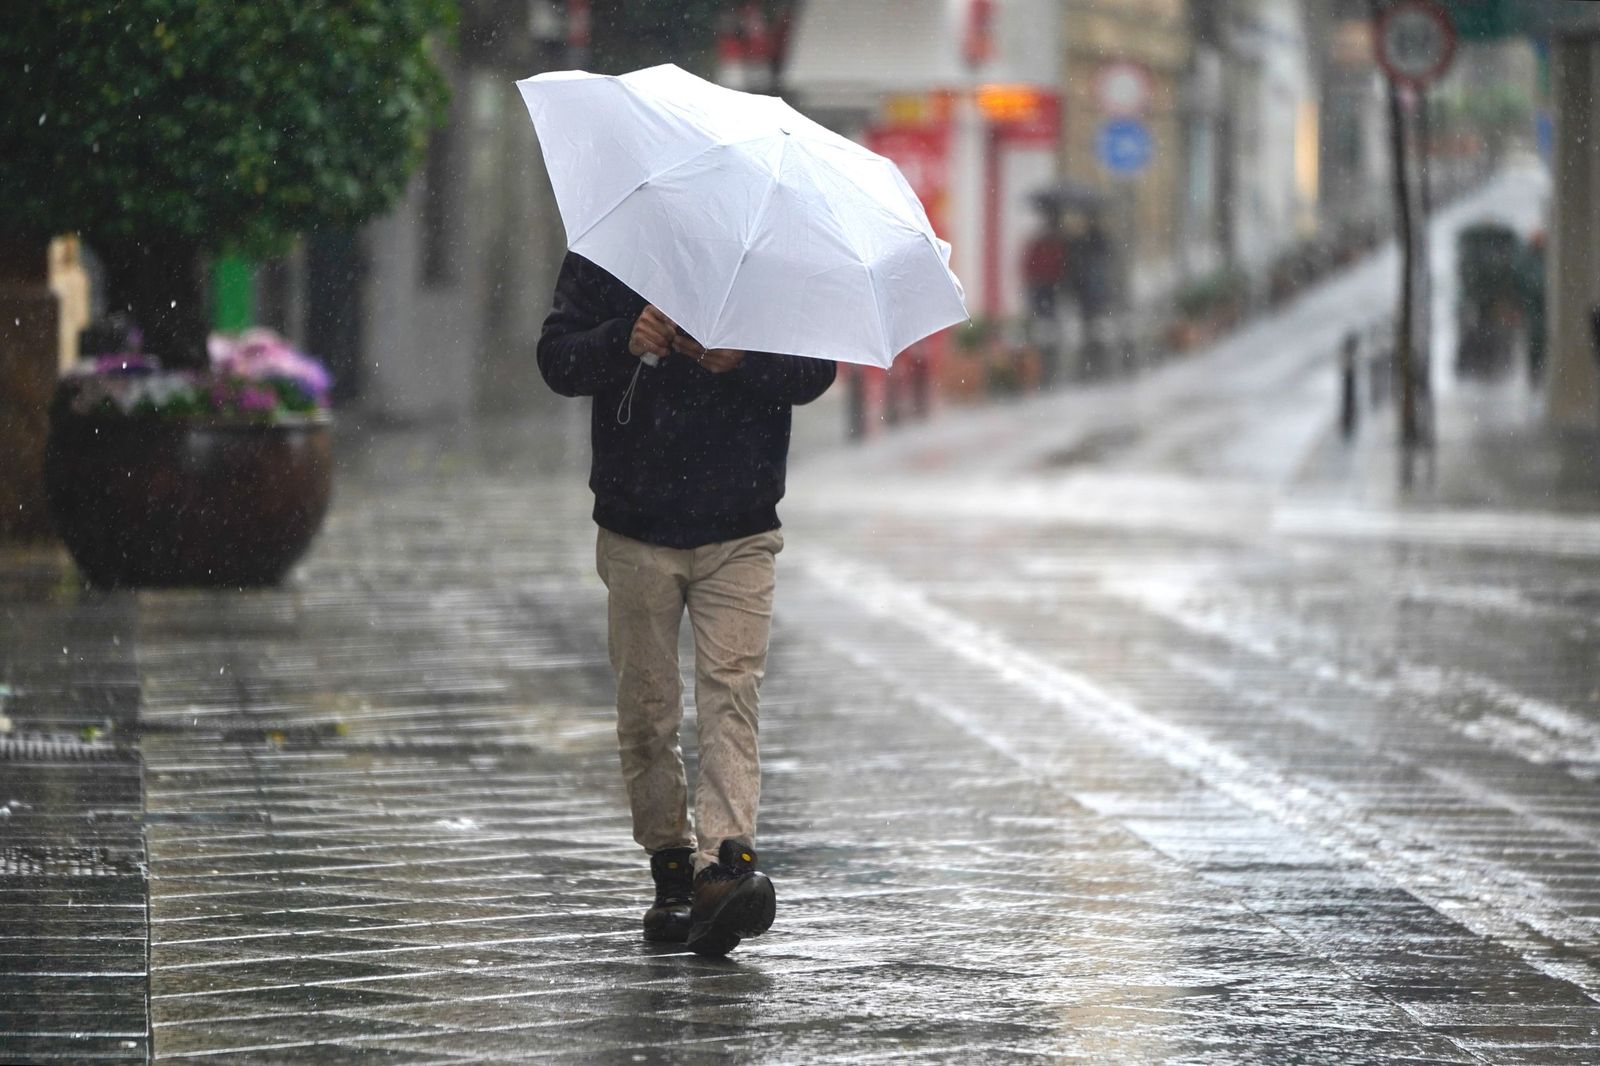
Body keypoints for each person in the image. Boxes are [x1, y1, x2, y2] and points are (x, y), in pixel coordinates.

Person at [536, 251, 836, 957]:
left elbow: (814, 372)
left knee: (733, 690)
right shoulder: (610, 248)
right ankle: (671, 867)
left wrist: (743, 359)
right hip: (637, 520)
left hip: (742, 523)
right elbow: (556, 359)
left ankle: (726, 865)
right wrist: (624, 338)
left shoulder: (771, 256)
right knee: (647, 707)